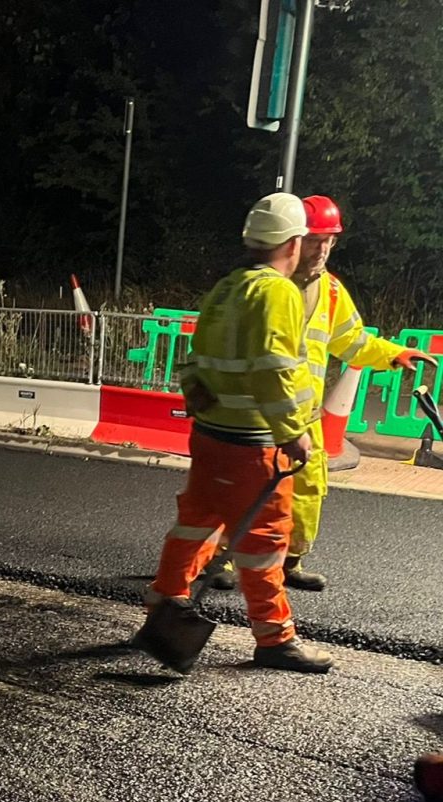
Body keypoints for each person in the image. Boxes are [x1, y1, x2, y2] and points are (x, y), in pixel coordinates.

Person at [138, 192, 332, 673]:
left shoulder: (226, 287)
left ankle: (164, 603)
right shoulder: (279, 292)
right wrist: (292, 432)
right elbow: (273, 369)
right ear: (292, 241)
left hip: (211, 437)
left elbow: (193, 356)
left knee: (195, 524)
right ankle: (275, 639)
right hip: (253, 444)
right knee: (265, 544)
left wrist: (195, 392)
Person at [208, 195, 435, 591]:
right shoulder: (266, 286)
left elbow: (352, 341)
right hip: (257, 418)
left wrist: (394, 354)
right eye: (315, 239)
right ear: (294, 239)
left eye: (330, 240)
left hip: (302, 418)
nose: (322, 249)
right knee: (243, 491)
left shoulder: (330, 291)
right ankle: (220, 560)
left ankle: (288, 562)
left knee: (308, 492)